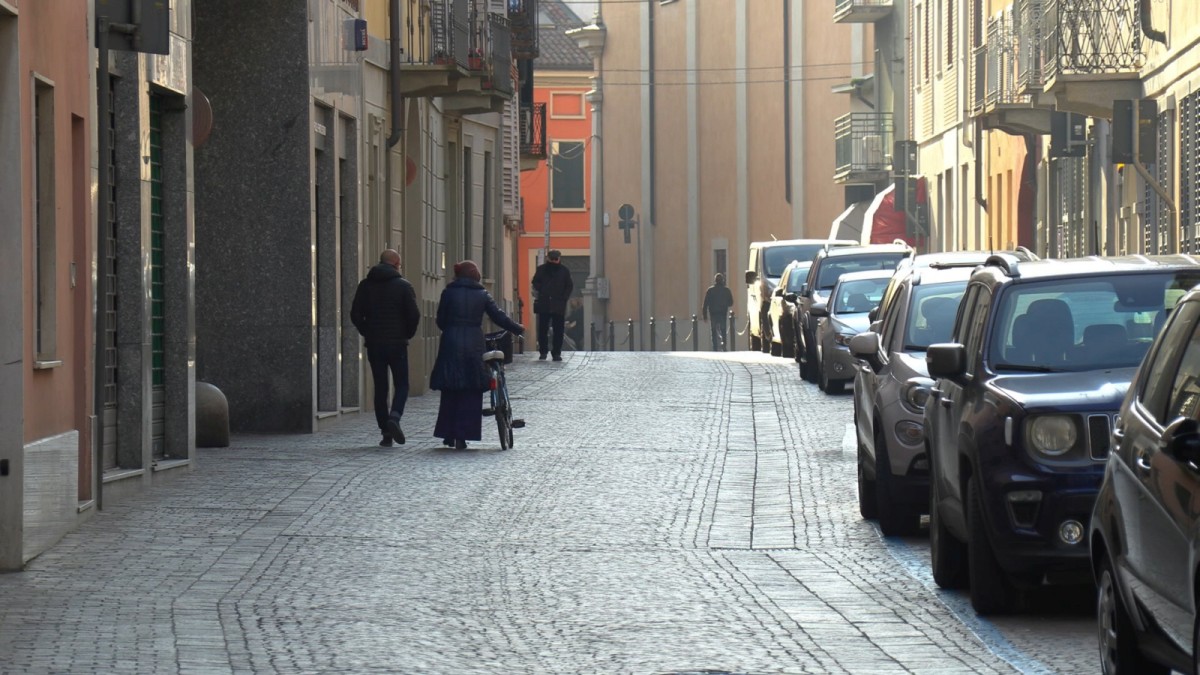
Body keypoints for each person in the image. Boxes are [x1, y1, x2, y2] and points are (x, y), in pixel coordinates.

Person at [430, 260, 524, 450]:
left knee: (450, 387)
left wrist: (451, 328)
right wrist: (517, 328)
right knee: (471, 388)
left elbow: (440, 320)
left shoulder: (448, 293)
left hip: (451, 341)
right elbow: (498, 316)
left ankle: (448, 432)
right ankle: (464, 434)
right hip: (473, 342)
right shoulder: (482, 295)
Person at [351, 249, 421, 447]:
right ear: (397, 264)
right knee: (402, 384)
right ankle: (395, 417)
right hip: (397, 344)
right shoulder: (403, 286)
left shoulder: (365, 286)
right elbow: (413, 315)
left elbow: (355, 314)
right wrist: (406, 334)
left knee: (380, 388)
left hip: (375, 344)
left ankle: (385, 432)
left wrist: (368, 331)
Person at [530, 249, 574, 361]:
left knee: (558, 330)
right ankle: (543, 351)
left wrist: (564, 298)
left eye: (556, 259)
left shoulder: (564, 271)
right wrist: (542, 291)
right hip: (544, 303)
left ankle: (556, 353)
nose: (554, 261)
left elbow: (569, 286)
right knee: (543, 329)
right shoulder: (541, 270)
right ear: (548, 258)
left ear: (559, 259)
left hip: (558, 304)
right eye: (552, 259)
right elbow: (535, 282)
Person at [702, 273, 735, 351]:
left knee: (713, 330)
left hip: (713, 313)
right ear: (722, 280)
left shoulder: (710, 290)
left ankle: (715, 347)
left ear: (715, 281)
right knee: (723, 330)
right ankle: (724, 345)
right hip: (722, 313)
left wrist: (705, 316)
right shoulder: (727, 290)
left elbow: (705, 304)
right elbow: (731, 302)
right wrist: (725, 304)